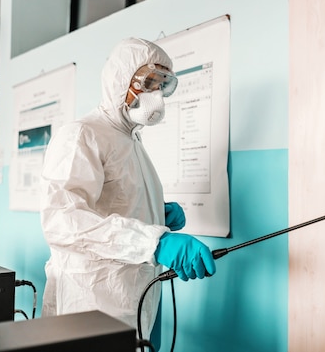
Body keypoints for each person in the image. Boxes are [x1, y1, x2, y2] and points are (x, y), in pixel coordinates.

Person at [39, 37, 216, 338]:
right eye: (149, 83)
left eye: (162, 86)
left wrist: (155, 213)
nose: (156, 95)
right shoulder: (83, 135)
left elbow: (112, 205)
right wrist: (156, 243)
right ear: (121, 80)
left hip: (137, 297)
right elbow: (63, 221)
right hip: (91, 303)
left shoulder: (132, 140)